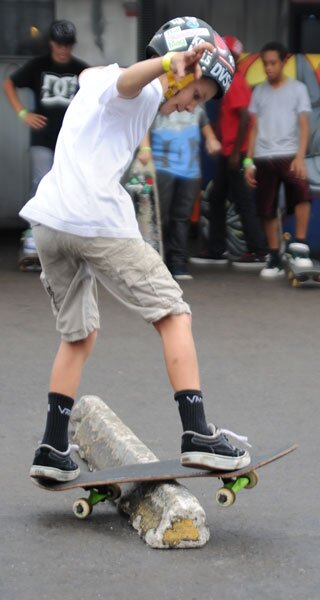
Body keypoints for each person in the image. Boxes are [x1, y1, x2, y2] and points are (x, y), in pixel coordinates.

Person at [21, 16, 251, 483]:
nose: (188, 106)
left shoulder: (96, 78)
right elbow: (129, 82)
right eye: (196, 95)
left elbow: (96, 78)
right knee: (173, 313)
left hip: (50, 224)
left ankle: (52, 446)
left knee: (78, 336)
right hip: (96, 222)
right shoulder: (141, 87)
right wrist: (168, 62)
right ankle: (197, 435)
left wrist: (162, 66)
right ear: (183, 73)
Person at [3, 20, 89, 270]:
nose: (63, 49)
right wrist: (22, 113)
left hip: (70, 141)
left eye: (68, 44)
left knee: (69, 189)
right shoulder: (38, 66)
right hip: (42, 139)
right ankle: (33, 239)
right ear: (51, 43)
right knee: (41, 185)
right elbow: (9, 83)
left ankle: (64, 242)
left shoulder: (81, 70)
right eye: (59, 44)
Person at [191, 35, 267, 268]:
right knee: (216, 199)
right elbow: (235, 119)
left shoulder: (235, 81)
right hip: (229, 151)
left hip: (235, 153)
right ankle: (217, 250)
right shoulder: (230, 81)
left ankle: (258, 251)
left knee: (242, 202)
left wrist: (235, 153)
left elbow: (246, 118)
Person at [244, 41, 312, 279]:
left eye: (273, 63)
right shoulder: (259, 91)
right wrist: (248, 162)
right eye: (265, 64)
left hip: (290, 155)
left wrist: (301, 157)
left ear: (284, 62)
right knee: (267, 208)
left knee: (303, 195)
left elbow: (304, 126)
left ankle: (300, 249)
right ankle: (274, 256)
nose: (269, 68)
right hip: (263, 157)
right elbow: (253, 128)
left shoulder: (298, 89)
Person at [137, 105, 221, 280]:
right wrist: (145, 148)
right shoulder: (160, 101)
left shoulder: (196, 103)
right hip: (162, 167)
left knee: (182, 217)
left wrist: (211, 139)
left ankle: (178, 261)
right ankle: (154, 261)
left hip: (190, 169)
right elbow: (143, 125)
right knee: (160, 217)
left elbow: (205, 125)